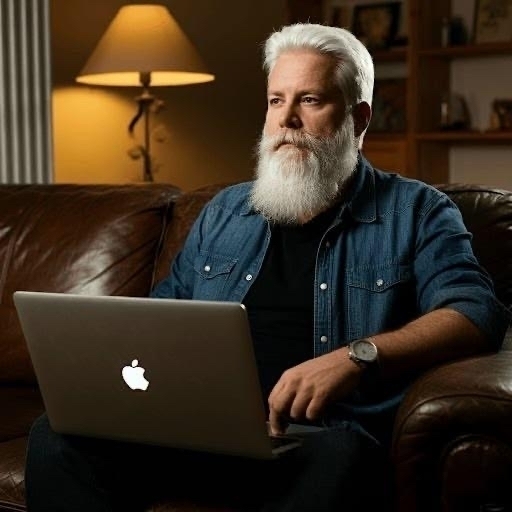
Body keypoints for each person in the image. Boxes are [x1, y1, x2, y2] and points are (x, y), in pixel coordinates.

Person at [25, 23, 509, 512]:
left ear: (358, 118)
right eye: (276, 101)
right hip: (199, 430)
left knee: (344, 460)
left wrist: (355, 357)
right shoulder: (225, 211)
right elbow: (163, 314)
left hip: (316, 437)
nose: (287, 121)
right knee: (55, 437)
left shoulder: (417, 211)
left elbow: (475, 312)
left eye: (311, 100)